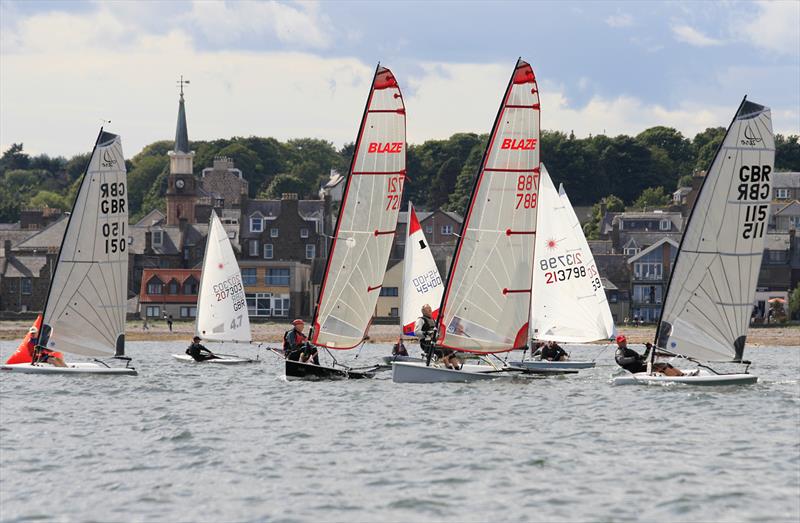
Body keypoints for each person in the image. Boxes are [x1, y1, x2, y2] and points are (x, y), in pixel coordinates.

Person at [415, 304, 461, 370]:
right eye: (428, 309)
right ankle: (448, 367)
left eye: (430, 309)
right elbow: (416, 332)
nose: (430, 310)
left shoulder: (434, 320)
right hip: (425, 344)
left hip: (434, 342)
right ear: (423, 311)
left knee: (449, 349)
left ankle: (456, 367)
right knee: (441, 351)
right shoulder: (420, 320)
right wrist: (427, 333)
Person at [614, 335, 683, 376]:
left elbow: (644, 358)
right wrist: (634, 358)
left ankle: (682, 375)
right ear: (618, 343)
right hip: (637, 370)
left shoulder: (628, 350)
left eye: (624, 341)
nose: (623, 343)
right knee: (662, 366)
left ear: (626, 341)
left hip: (642, 366)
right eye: (621, 342)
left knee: (667, 364)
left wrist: (648, 348)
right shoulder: (619, 351)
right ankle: (676, 377)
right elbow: (621, 361)